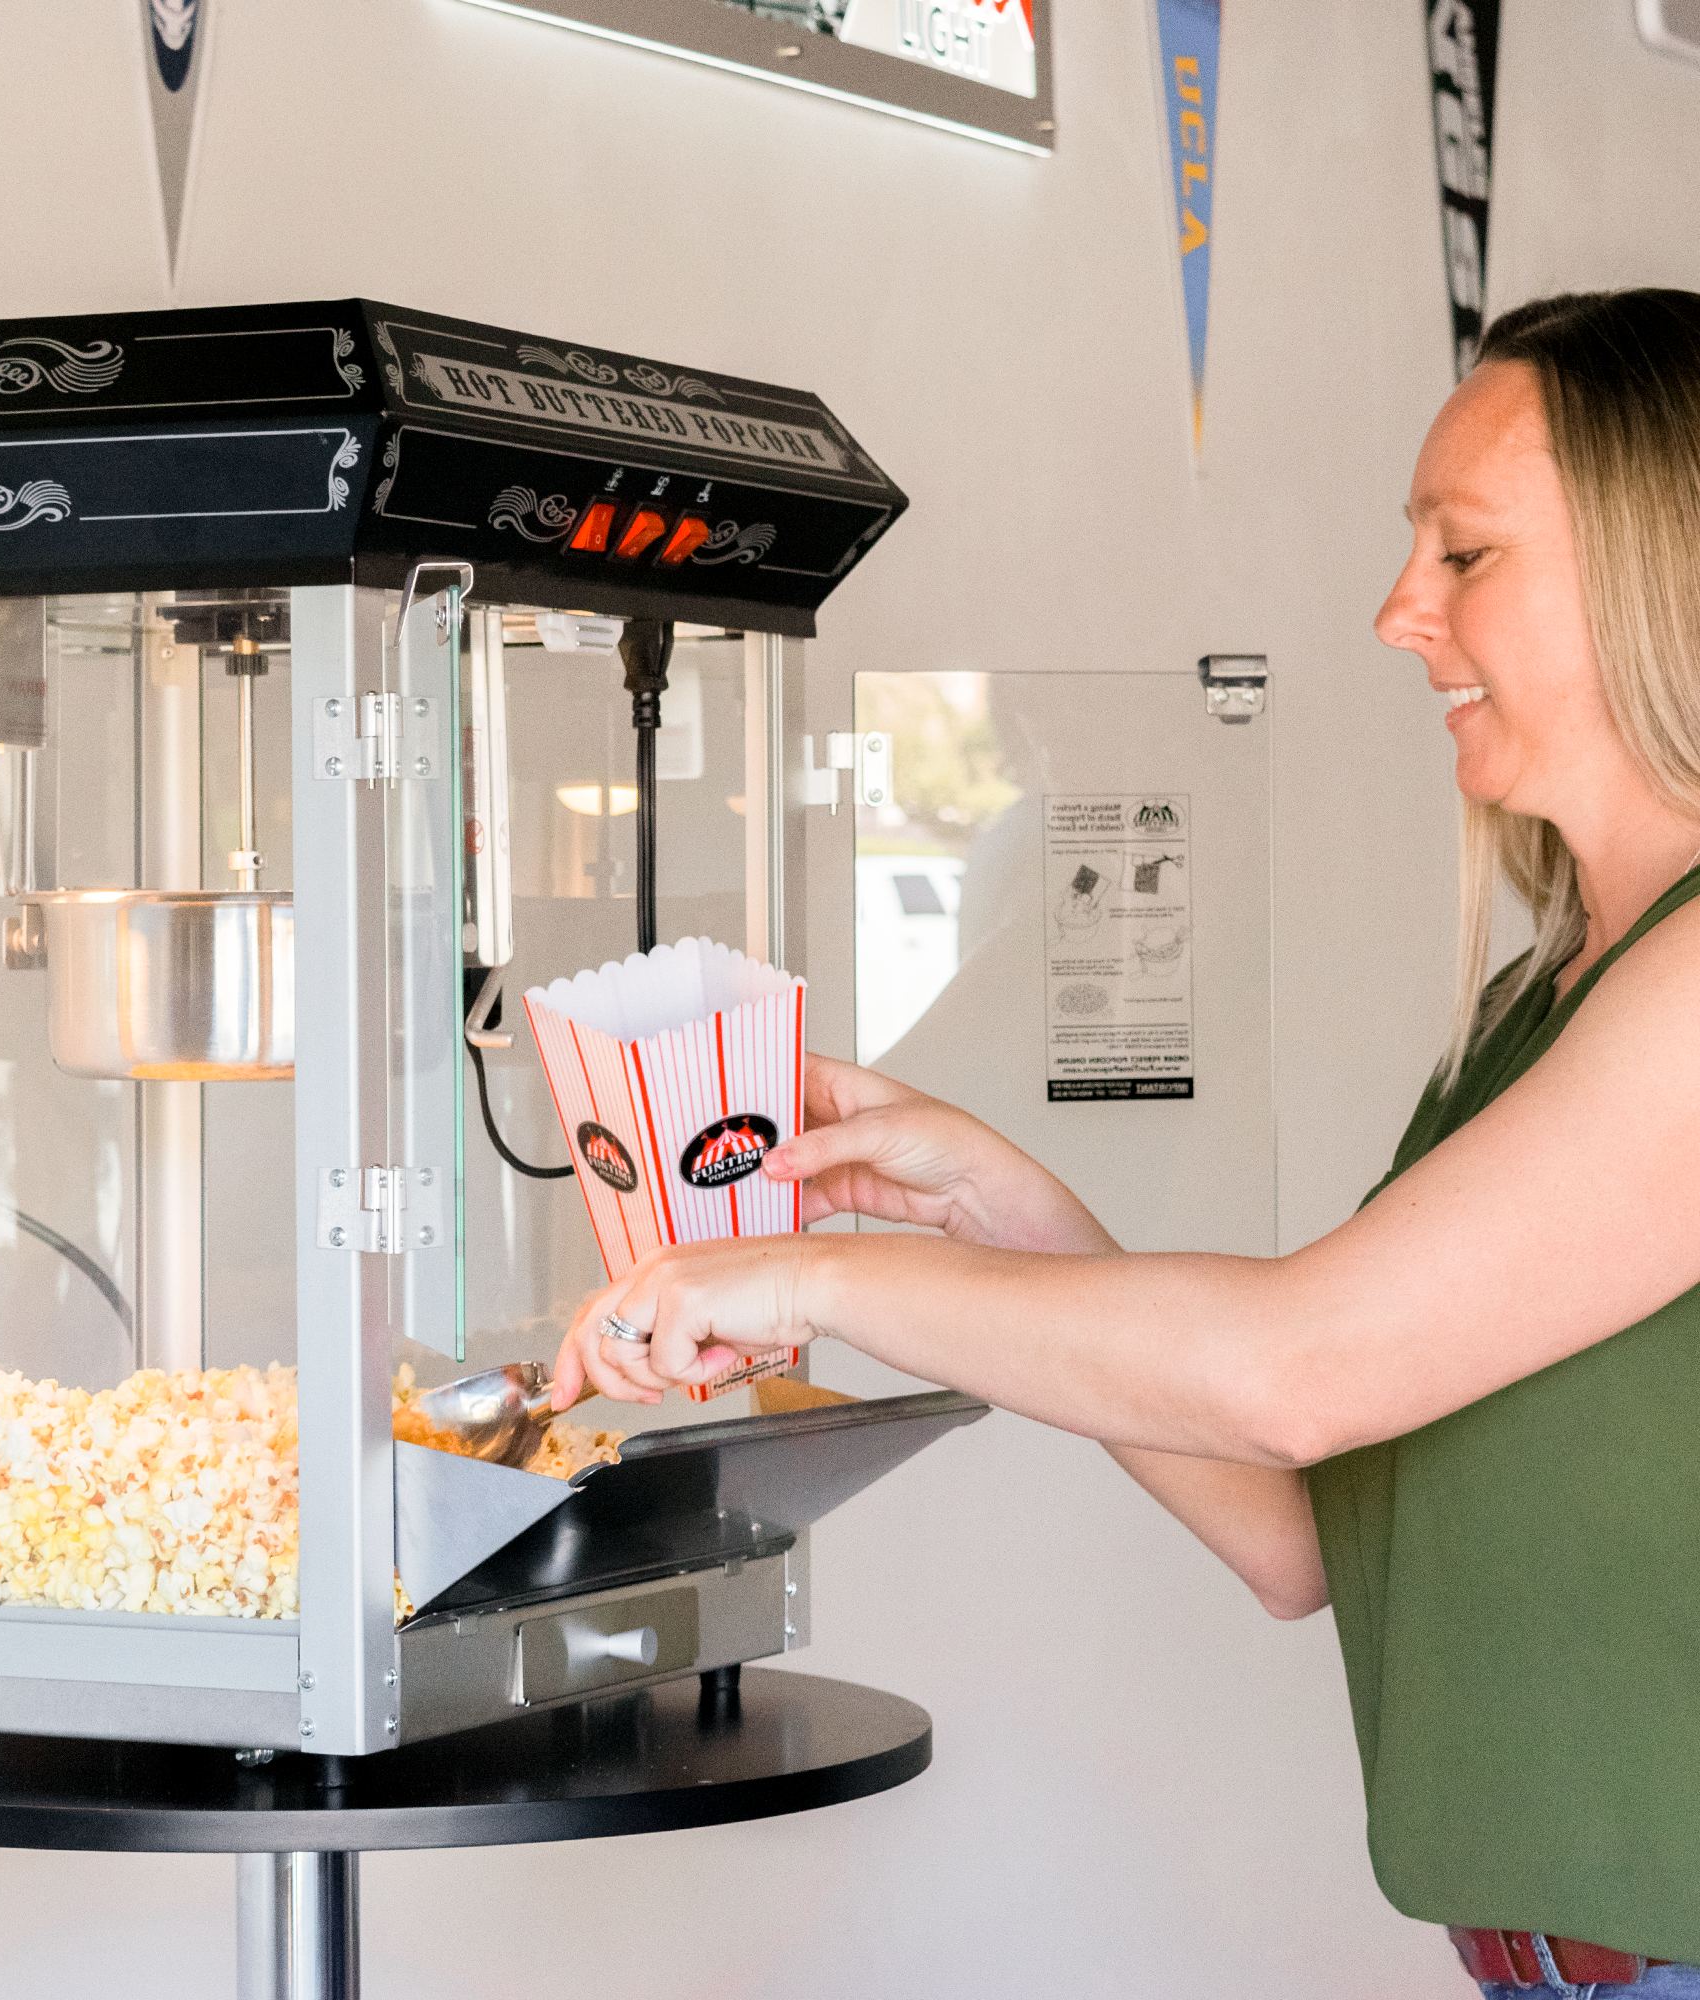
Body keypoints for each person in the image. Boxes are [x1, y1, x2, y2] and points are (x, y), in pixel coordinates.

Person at [552, 289, 1700, 1999]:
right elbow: (1303, 1531)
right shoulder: (1554, 997)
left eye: (1466, 556)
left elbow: (1301, 1366)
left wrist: (804, 1271)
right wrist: (990, 1203)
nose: (1401, 614)